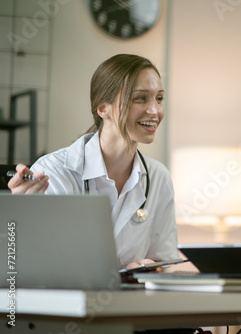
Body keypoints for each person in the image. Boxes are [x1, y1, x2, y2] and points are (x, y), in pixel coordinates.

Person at [8, 54, 179, 270]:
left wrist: (153, 268)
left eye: (159, 98)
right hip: (67, 302)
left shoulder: (158, 177)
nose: (155, 111)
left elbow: (165, 262)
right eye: (140, 98)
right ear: (102, 109)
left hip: (132, 303)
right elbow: (39, 266)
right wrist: (16, 218)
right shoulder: (52, 172)